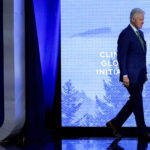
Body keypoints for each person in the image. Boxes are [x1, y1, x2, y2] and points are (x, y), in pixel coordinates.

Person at [106, 8, 150, 141]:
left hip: (140, 75)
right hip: (130, 76)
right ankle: (142, 131)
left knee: (135, 102)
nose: (143, 22)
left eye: (143, 19)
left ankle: (114, 123)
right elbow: (121, 56)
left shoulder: (140, 34)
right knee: (138, 101)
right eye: (141, 19)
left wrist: (145, 72)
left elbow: (141, 55)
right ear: (133, 19)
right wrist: (124, 75)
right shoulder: (125, 34)